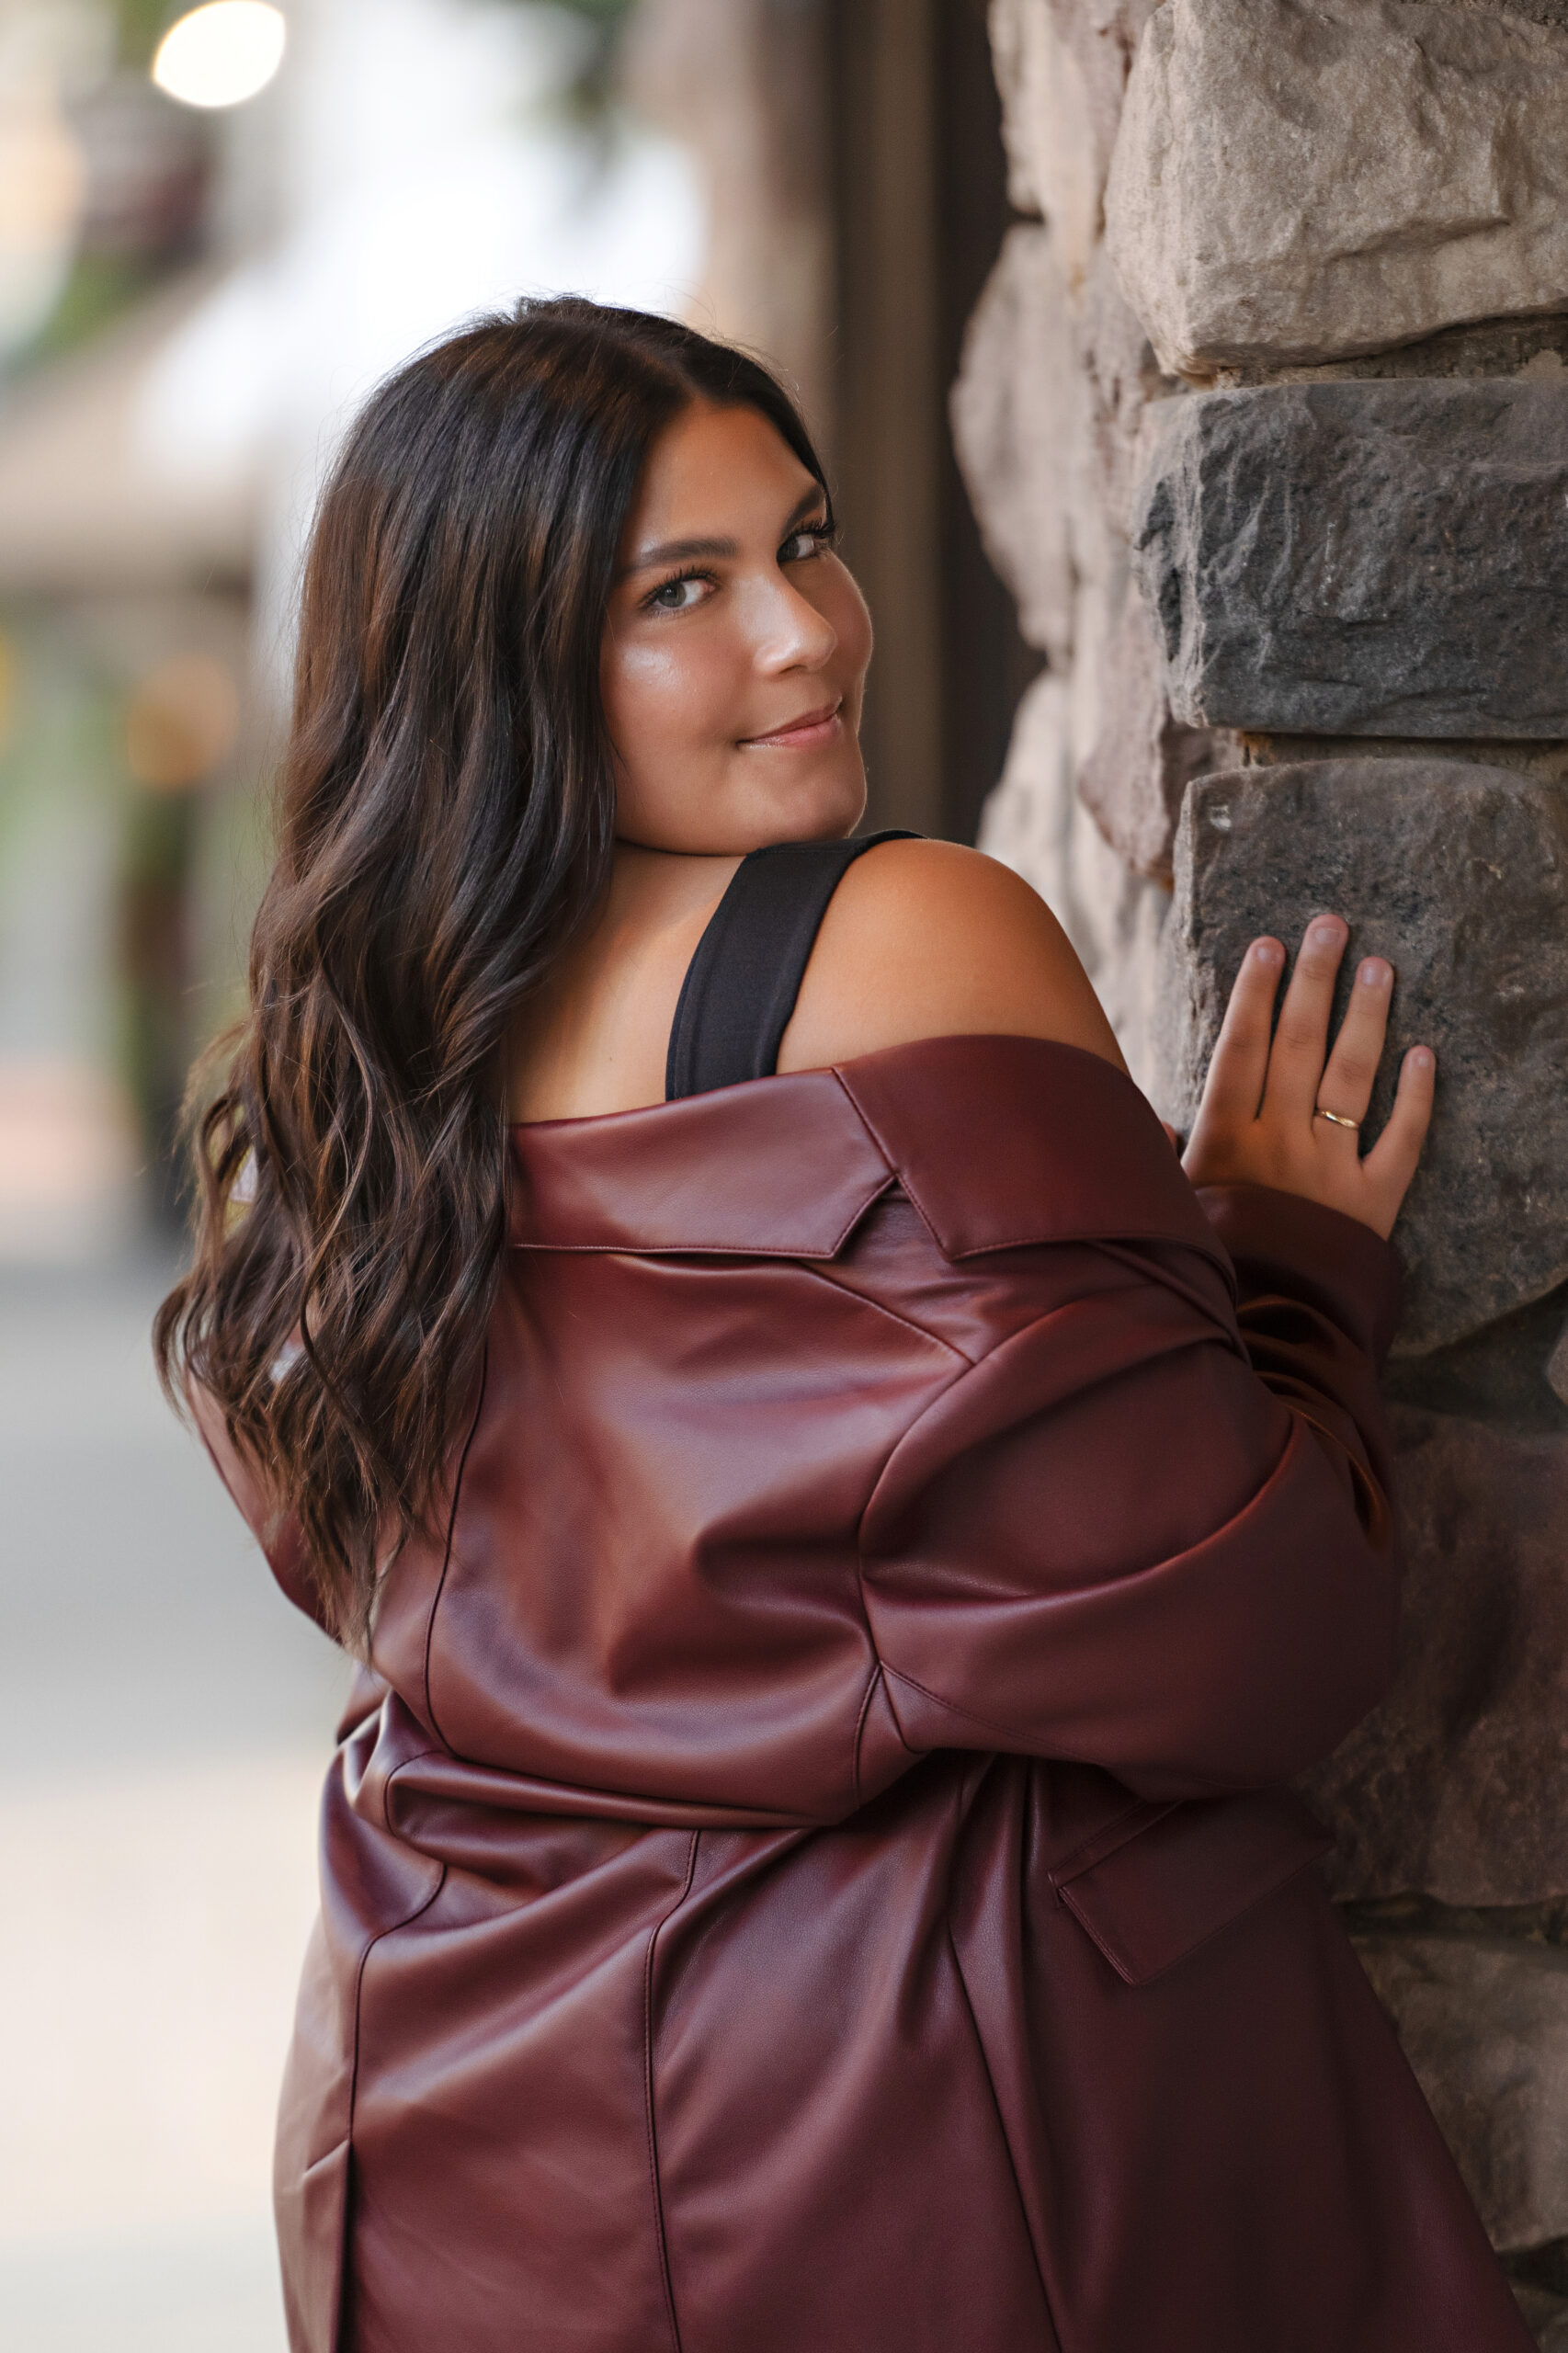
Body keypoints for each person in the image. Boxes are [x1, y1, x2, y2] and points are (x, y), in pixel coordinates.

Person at [158, 298, 1533, 2353]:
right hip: (883, 2142)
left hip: (443, 2127)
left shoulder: (356, 1072)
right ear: (507, 662)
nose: (804, 633)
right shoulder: (901, 940)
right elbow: (1258, 1641)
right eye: (681, 592)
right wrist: (1283, 1261)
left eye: (804, 540)